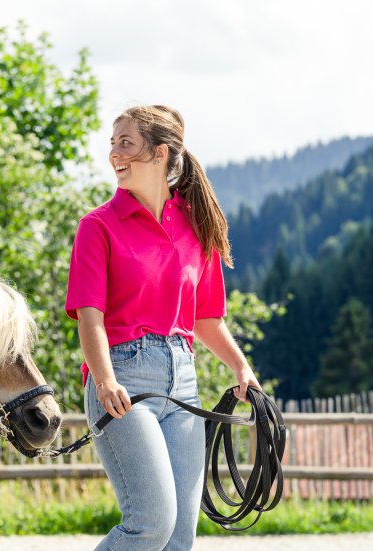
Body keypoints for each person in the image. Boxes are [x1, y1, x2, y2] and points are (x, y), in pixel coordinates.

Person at [65, 104, 261, 550]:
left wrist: (240, 367)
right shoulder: (97, 226)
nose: (115, 153)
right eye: (113, 143)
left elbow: (205, 318)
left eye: (126, 142)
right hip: (122, 381)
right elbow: (89, 314)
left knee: (179, 537)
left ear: (160, 153)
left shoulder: (194, 226)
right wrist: (104, 379)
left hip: (183, 383)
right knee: (151, 523)